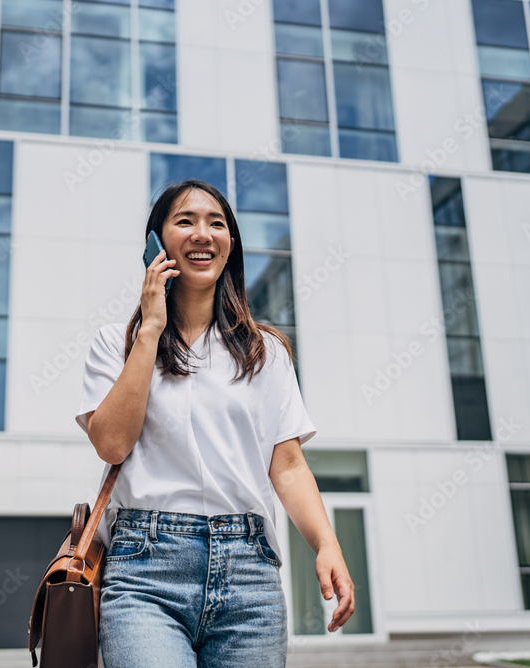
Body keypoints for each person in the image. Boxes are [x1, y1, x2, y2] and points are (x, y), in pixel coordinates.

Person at [74, 179, 355, 667]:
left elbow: (287, 467)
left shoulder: (264, 351)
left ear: (231, 244)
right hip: (145, 571)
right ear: (155, 244)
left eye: (217, 223)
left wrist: (327, 544)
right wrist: (152, 329)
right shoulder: (114, 343)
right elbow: (112, 445)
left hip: (248, 574)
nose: (203, 233)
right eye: (185, 221)